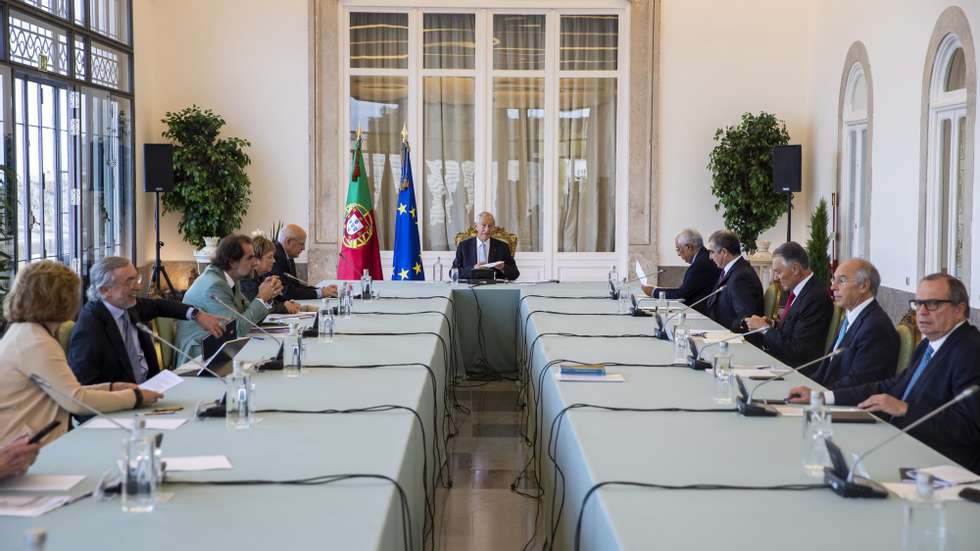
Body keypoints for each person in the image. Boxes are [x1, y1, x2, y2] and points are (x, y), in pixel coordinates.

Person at [787, 273, 980, 473]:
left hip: (942, 466)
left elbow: (969, 429)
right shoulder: (928, 346)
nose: (921, 312)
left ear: (959, 309)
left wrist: (905, 409)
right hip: (901, 442)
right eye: (918, 303)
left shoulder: (970, 351)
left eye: (932, 304)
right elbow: (890, 387)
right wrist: (822, 396)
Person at [0, 260, 162, 444]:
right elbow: (75, 401)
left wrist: (109, 387)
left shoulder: (26, 332)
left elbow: (64, 390)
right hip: (23, 449)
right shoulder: (36, 341)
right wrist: (135, 397)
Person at [68, 257, 228, 385]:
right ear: (105, 290)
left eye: (136, 279)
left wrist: (197, 315)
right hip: (122, 406)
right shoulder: (90, 326)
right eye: (129, 282)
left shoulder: (129, 305)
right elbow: (84, 385)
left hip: (154, 387)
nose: (137, 287)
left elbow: (159, 306)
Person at [177, 235, 281, 359]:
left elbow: (249, 317)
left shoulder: (230, 278)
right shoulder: (214, 285)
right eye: (250, 258)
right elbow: (236, 330)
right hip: (198, 355)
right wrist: (261, 298)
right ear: (232, 262)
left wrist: (268, 296)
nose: (255, 262)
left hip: (220, 346)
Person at [806, 259, 899, 388]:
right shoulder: (851, 317)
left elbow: (858, 383)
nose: (833, 287)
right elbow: (826, 369)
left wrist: (818, 395)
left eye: (842, 281)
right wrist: (805, 386)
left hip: (847, 403)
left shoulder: (876, 328)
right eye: (834, 280)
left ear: (864, 286)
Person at [744, 241, 832, 365]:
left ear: (795, 269)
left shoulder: (815, 298)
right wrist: (774, 325)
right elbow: (796, 328)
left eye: (778, 272)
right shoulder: (803, 290)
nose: (776, 278)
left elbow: (798, 350)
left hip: (796, 371)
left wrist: (765, 329)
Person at [642, 228, 720, 314]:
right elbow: (684, 289)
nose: (678, 254)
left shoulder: (700, 264)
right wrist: (657, 289)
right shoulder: (702, 258)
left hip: (704, 314)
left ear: (688, 247)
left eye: (678, 249)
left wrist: (653, 292)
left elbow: (681, 294)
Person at [704, 230, 763, 332]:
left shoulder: (741, 276)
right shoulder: (732, 270)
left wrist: (721, 334)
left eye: (712, 252)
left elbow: (745, 318)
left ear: (724, 252)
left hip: (732, 339)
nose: (710, 257)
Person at [272, 224, 336, 300]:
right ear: (288, 241)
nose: (303, 248)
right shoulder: (275, 256)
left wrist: (321, 290)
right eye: (301, 244)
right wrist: (321, 293)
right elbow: (287, 292)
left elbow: (295, 286)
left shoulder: (288, 256)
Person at [242, 233, 302, 315]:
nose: (274, 261)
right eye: (270, 257)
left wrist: (286, 303)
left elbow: (271, 301)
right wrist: (283, 307)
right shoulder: (246, 280)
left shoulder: (260, 277)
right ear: (256, 259)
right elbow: (256, 307)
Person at [452, 212, 519, 281]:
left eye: (490, 226)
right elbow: (453, 273)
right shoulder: (464, 246)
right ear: (476, 226)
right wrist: (473, 268)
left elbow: (515, 274)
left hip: (495, 288)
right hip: (470, 288)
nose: (487, 230)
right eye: (483, 225)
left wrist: (503, 267)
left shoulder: (502, 247)